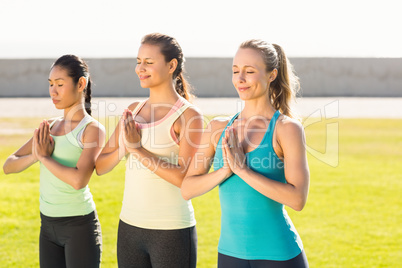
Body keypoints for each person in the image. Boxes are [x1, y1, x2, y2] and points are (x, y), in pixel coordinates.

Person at [181, 40, 310, 268]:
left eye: (249, 72)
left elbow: (297, 199)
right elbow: (188, 189)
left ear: (272, 75)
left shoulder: (286, 129)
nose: (239, 79)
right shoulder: (218, 128)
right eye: (235, 71)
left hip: (279, 255)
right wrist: (225, 171)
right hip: (230, 255)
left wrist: (242, 170)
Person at [95, 33, 203, 268]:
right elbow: (101, 166)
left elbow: (185, 179)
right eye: (138, 61)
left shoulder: (188, 116)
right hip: (130, 228)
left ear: (171, 65)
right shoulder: (134, 110)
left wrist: (137, 149)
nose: (140, 68)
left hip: (171, 230)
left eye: (149, 62)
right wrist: (125, 145)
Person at [3, 55, 105, 268]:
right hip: (47, 227)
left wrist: (44, 158)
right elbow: (9, 165)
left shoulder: (91, 129)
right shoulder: (48, 127)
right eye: (50, 84)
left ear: (81, 84)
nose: (53, 91)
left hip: (79, 227)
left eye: (60, 84)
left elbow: (79, 180)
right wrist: (35, 156)